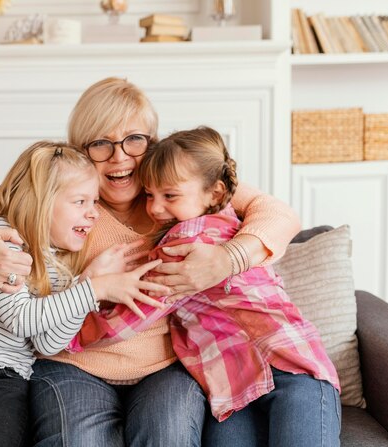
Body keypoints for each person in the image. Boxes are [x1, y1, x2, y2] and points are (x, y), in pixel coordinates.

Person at [0, 77, 302, 446]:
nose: (120, 156)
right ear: (79, 152)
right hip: (72, 363)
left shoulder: (175, 194)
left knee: (168, 435)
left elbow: (278, 214)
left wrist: (228, 258)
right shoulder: (64, 199)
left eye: (134, 140)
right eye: (100, 143)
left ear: (152, 144)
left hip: (162, 366)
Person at [68, 126, 342, 446]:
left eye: (169, 196)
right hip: (236, 387)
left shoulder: (185, 242)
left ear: (214, 193)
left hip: (291, 367)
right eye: (150, 195)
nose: (155, 208)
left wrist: (71, 332)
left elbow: (138, 310)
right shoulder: (222, 212)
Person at [0, 141, 168, 447]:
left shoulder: (59, 266)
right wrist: (96, 288)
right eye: (81, 202)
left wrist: (86, 284)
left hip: (6, 383)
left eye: (95, 202)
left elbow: (48, 341)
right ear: (41, 202)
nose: (94, 214)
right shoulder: (0, 240)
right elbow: (21, 320)